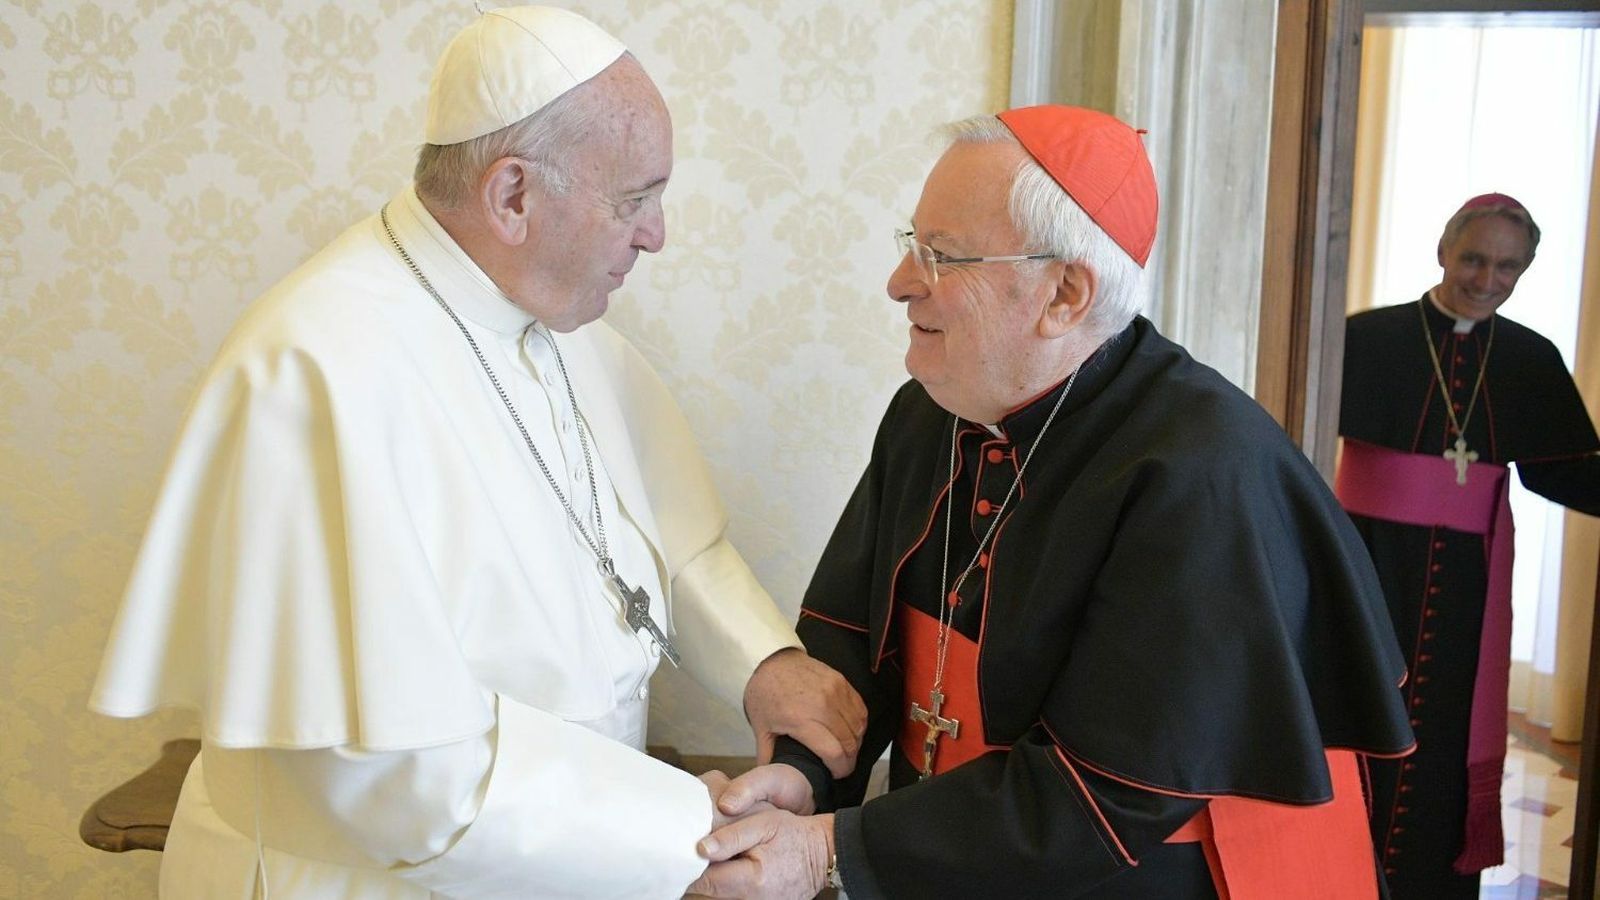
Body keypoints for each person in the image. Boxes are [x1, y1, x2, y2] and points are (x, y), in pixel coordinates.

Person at [88, 7, 865, 898]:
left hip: (578, 853)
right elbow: (391, 771)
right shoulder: (315, 374)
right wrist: (687, 837)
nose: (656, 234)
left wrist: (763, 665)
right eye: (634, 200)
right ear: (512, 197)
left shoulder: (552, 310)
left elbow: (668, 541)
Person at [684, 105, 1416, 899]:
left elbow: (1105, 791)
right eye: (911, 243)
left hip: (1146, 873)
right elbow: (853, 641)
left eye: (942, 256)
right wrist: (802, 778)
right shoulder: (934, 408)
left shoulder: (1201, 473)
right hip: (955, 843)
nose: (899, 284)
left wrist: (827, 850)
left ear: (1065, 293)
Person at [1337, 194, 1600, 897]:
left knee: (1445, 740)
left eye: (1508, 267)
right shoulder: (1365, 337)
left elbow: (1566, 468)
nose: (1488, 279)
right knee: (1355, 716)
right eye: (1475, 259)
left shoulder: (1528, 360)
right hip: (1367, 567)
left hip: (1465, 590)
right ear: (1444, 251)